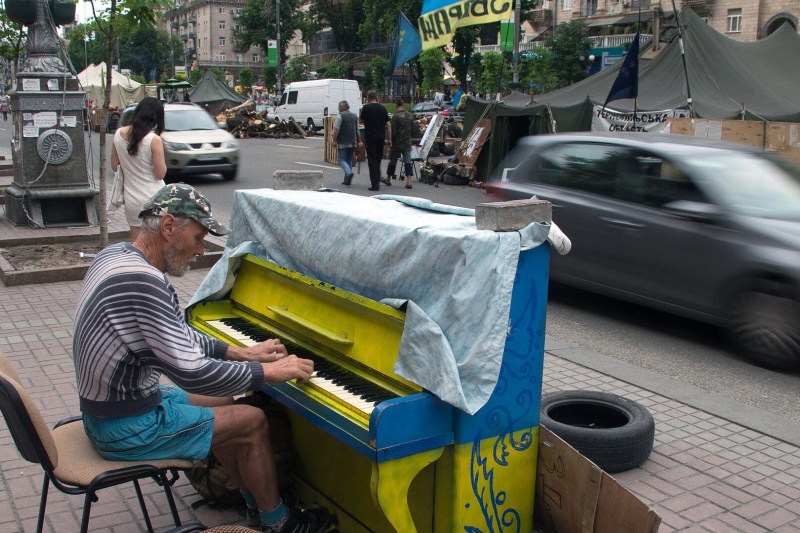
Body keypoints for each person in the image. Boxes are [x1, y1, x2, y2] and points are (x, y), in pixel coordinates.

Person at [72, 183, 331, 533]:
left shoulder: (115, 254)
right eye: (197, 238)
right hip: (124, 427)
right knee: (253, 421)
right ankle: (279, 522)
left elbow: (175, 335)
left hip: (114, 406)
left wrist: (238, 351)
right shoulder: (144, 282)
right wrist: (269, 371)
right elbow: (193, 373)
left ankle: (253, 502)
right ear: (168, 227)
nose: (199, 250)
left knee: (223, 400)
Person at [111, 96, 167, 240]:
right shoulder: (153, 140)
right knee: (157, 245)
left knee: (139, 246)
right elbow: (160, 174)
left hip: (132, 199)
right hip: (155, 199)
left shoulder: (118, 134)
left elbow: (114, 165)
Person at [359, 90, 390, 191]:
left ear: (368, 98)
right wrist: (389, 139)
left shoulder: (366, 108)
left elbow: (360, 120)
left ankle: (374, 184)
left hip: (370, 137)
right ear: (376, 97)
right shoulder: (382, 108)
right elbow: (388, 125)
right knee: (378, 159)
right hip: (381, 137)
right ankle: (377, 179)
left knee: (372, 161)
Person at [383, 99, 414, 189]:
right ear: (403, 105)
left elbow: (394, 131)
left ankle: (388, 179)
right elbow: (413, 129)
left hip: (397, 143)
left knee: (393, 162)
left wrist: (390, 140)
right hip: (407, 142)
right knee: (408, 162)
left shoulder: (395, 117)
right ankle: (409, 181)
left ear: (396, 106)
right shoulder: (410, 116)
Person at [331, 100, 361, 186]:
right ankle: (347, 180)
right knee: (348, 160)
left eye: (339, 106)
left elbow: (336, 129)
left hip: (343, 141)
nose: (338, 108)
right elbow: (357, 130)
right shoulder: (355, 116)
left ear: (343, 107)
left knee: (341, 160)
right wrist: (359, 141)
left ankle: (348, 173)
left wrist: (334, 141)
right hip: (352, 141)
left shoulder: (340, 116)